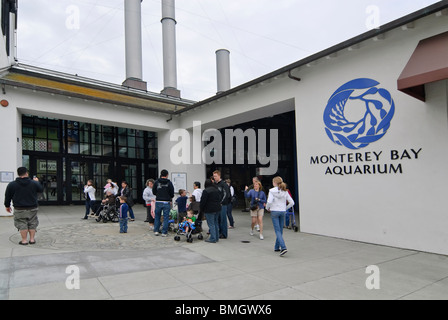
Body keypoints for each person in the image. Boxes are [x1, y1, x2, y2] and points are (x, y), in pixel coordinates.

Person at [4, 167, 43, 245]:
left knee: (22, 223)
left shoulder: (12, 184)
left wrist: (7, 206)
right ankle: (32, 240)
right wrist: (37, 182)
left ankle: (24, 240)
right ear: (26, 173)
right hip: (32, 207)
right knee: (32, 223)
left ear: (18, 174)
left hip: (19, 208)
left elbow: (7, 196)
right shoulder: (34, 183)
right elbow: (41, 190)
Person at [266, 176, 294, 257]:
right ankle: (276, 247)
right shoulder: (285, 191)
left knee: (277, 230)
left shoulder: (271, 191)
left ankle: (283, 247)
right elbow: (292, 202)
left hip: (274, 211)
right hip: (282, 211)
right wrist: (285, 208)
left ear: (274, 183)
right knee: (280, 230)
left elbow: (269, 201)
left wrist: (267, 208)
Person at [152, 169, 175, 237]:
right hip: (166, 202)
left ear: (161, 174)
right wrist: (170, 197)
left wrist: (158, 194)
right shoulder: (169, 183)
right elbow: (172, 193)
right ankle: (164, 232)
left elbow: (154, 191)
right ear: (167, 175)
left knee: (157, 216)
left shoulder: (156, 182)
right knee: (166, 217)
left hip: (158, 201)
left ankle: (156, 230)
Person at [213, 170, 231, 239]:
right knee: (218, 219)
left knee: (223, 219)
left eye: (215, 176)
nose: (214, 177)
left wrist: (221, 202)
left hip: (222, 205)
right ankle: (219, 232)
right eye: (214, 176)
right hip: (216, 204)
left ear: (219, 176)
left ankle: (224, 233)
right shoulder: (214, 184)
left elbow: (226, 194)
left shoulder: (223, 184)